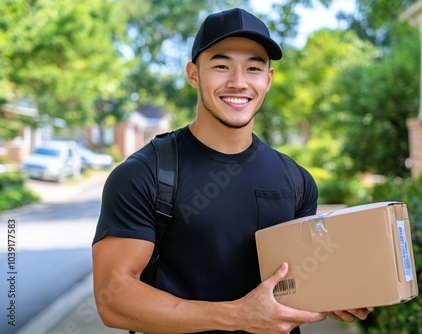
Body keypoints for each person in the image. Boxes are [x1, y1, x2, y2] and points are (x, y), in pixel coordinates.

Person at [92, 8, 373, 334]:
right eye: (222, 66)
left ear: (267, 80)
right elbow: (113, 300)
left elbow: (290, 283)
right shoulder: (144, 175)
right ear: (194, 74)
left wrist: (333, 294)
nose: (238, 82)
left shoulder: (296, 180)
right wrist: (239, 315)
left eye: (253, 68)